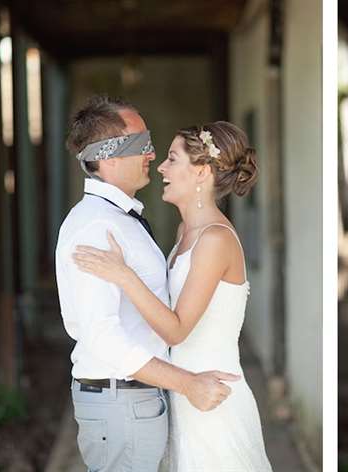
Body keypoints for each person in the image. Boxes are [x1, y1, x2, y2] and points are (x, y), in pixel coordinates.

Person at [72, 121, 273, 471]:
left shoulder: (215, 240)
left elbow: (177, 329)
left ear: (201, 172)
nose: (161, 167)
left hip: (211, 398)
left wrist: (123, 276)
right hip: (184, 395)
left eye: (172, 159)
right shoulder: (186, 232)